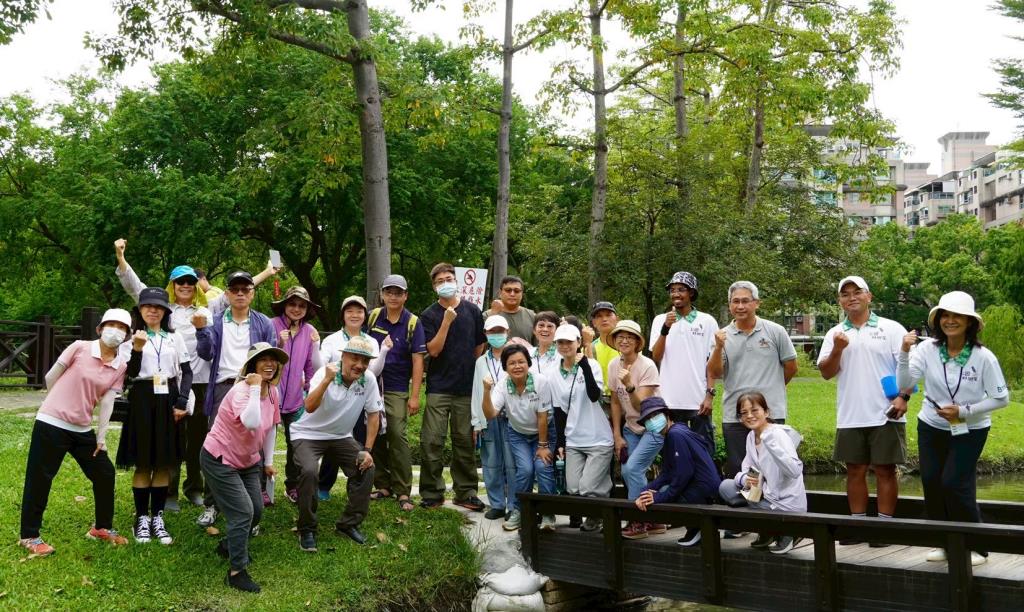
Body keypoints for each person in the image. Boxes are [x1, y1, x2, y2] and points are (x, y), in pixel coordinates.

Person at [897, 291, 1009, 567]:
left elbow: (1001, 398)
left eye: (957, 316)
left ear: (969, 322)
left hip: (970, 428)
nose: (950, 321)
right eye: (945, 315)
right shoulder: (927, 350)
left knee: (954, 483)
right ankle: (943, 543)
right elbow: (905, 384)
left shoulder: (984, 357)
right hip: (932, 425)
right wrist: (904, 352)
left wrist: (964, 411)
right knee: (932, 481)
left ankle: (977, 546)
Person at [18, 309, 133, 557]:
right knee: (40, 478)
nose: (116, 330)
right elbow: (51, 377)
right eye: (111, 325)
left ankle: (101, 528)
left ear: (127, 335)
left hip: (82, 430)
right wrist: (58, 404)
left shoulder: (120, 364)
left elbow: (108, 402)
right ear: (100, 329)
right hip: (51, 423)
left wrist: (101, 438)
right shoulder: (80, 347)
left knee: (104, 473)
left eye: (122, 327)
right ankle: (29, 535)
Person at [115, 238, 216, 510]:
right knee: (169, 437)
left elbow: (240, 295)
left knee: (197, 440)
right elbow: (135, 286)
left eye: (190, 282)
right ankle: (168, 491)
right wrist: (121, 257)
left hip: (199, 381)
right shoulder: (160, 308)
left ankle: (194, 487)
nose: (185, 286)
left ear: (197, 286)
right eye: (180, 281)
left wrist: (268, 273)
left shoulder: (206, 311)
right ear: (172, 285)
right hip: (165, 383)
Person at [817, 276, 911, 544]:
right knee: (854, 470)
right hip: (850, 413)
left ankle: (884, 528)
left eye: (857, 292)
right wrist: (837, 349)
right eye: (845, 294)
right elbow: (826, 373)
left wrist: (903, 397)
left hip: (886, 412)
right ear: (840, 301)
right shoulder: (835, 333)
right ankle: (856, 525)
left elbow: (908, 367)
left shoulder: (891, 328)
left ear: (869, 296)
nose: (851, 297)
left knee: (885, 470)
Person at [194, 270, 277, 528]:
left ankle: (252, 504)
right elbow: (206, 353)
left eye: (245, 289)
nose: (240, 293)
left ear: (252, 292)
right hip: (223, 388)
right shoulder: (216, 321)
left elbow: (271, 357)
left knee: (255, 442)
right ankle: (212, 504)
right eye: (235, 289)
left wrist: (266, 386)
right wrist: (201, 331)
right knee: (218, 448)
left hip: (254, 385)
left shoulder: (263, 323)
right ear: (227, 293)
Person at [201, 343, 286, 593]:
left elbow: (271, 427)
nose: (270, 364)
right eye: (263, 360)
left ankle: (229, 545)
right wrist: (253, 387)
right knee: (242, 513)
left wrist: (268, 461)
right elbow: (252, 421)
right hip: (220, 458)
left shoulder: (273, 391)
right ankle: (237, 571)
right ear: (252, 365)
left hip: (249, 460)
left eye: (274, 360)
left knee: (256, 511)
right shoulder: (241, 391)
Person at [116, 287, 193, 545]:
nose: (152, 310)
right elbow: (129, 375)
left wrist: (182, 400)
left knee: (163, 461)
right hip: (142, 397)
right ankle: (141, 518)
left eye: (158, 307)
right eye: (147, 306)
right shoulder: (130, 340)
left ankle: (158, 516)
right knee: (143, 461)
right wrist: (137, 349)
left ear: (165, 311)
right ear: (139, 310)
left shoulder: (175, 338)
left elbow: (187, 371)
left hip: (168, 397)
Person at [291, 336, 382, 552]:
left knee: (367, 468)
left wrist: (367, 450)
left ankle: (348, 524)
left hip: (341, 436)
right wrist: (326, 381)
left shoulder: (368, 379)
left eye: (365, 361)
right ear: (343, 356)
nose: (359, 365)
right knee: (309, 471)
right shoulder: (325, 373)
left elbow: (374, 416)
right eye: (354, 358)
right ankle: (307, 528)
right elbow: (309, 406)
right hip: (307, 433)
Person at [708, 281, 798, 480]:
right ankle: (743, 509)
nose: (740, 306)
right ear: (730, 304)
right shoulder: (722, 336)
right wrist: (717, 347)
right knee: (740, 470)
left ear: (757, 303)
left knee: (773, 468)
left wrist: (771, 391)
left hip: (770, 412)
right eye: (735, 301)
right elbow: (714, 372)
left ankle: (772, 508)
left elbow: (791, 367)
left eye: (745, 301)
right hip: (735, 415)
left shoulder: (775, 331)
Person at [418, 262, 487, 511]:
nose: (445, 283)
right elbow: (433, 350)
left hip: (466, 388)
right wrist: (446, 321)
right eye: (439, 281)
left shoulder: (473, 311)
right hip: (438, 387)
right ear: (434, 286)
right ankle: (431, 492)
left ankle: (466, 491)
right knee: (432, 441)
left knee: (464, 442)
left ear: (456, 281)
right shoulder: (429, 315)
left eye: (448, 278)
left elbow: (479, 348)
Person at [316, 294, 387, 501]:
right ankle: (323, 485)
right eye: (349, 311)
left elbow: (373, 371)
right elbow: (322, 365)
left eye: (359, 311)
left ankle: (355, 487)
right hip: (335, 400)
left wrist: (383, 352)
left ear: (365, 316)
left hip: (360, 399)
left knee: (357, 443)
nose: (354, 315)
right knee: (333, 441)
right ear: (343, 315)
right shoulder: (332, 340)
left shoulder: (371, 341)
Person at [365, 274, 426, 513]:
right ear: (382, 295)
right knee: (375, 433)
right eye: (388, 292)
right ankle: (383, 484)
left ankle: (403, 490)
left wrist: (414, 396)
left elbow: (418, 361)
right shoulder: (373, 317)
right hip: (371, 384)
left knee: (397, 436)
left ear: (405, 296)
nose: (393, 296)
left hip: (397, 387)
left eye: (398, 292)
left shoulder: (413, 322)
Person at [718, 392, 807, 555]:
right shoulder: (751, 437)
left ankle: (789, 532)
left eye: (754, 410)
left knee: (741, 495)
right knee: (726, 488)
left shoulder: (777, 435)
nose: (749, 416)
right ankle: (768, 531)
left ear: (766, 412)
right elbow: (748, 471)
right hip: (766, 496)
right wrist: (744, 478)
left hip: (785, 502)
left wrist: (771, 444)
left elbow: (794, 471)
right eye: (744, 413)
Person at [482, 344, 557, 531]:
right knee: (524, 470)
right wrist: (485, 391)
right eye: (512, 363)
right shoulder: (502, 385)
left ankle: (547, 514)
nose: (517, 366)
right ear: (505, 367)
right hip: (518, 434)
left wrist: (543, 445)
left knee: (543, 466)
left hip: (544, 432)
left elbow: (542, 417)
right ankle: (519, 511)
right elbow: (491, 413)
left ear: (528, 363)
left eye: (521, 362)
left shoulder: (541, 382)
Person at [633, 397, 720, 545]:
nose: (652, 421)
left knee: (667, 493)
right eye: (647, 419)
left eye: (655, 415)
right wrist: (645, 491)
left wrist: (659, 496)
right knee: (662, 492)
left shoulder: (675, 434)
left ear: (667, 415)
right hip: (699, 487)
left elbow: (684, 473)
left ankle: (698, 528)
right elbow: (667, 473)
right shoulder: (674, 432)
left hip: (703, 490)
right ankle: (695, 528)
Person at [648, 271, 719, 455]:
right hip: (669, 400)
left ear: (692, 293)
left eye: (681, 289)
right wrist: (665, 328)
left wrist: (710, 395)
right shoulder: (660, 320)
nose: (676, 294)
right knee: (673, 454)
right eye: (672, 290)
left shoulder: (707, 321)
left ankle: (705, 485)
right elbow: (656, 356)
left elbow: (713, 363)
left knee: (703, 453)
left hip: (698, 401)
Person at [552, 323, 612, 532]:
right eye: (560, 342)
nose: (565, 345)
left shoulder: (592, 365)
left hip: (598, 438)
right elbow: (559, 410)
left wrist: (585, 365)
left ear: (578, 342)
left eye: (569, 341)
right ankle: (599, 508)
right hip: (574, 439)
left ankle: (600, 517)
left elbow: (594, 395)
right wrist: (560, 442)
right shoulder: (554, 372)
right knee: (573, 488)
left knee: (588, 488)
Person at [607, 320, 664, 540]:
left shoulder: (647, 365)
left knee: (632, 470)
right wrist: (617, 435)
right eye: (620, 336)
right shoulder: (613, 365)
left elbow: (643, 406)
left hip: (653, 425)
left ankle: (638, 520)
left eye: (630, 337)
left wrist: (630, 385)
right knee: (630, 469)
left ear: (638, 342)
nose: (624, 340)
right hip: (630, 426)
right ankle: (654, 520)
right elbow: (614, 401)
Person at [269, 286, 322, 504]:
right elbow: (262, 357)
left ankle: (292, 485)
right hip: (270, 395)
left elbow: (310, 366)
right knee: (262, 443)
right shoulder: (271, 325)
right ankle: (261, 487)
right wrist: (278, 343)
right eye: (292, 304)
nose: (296, 309)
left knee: (296, 444)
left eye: (302, 305)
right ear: (284, 306)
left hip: (295, 399)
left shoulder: (310, 331)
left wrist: (312, 387)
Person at [471, 315, 516, 521]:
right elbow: (476, 392)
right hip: (488, 416)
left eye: (500, 331)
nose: (497, 335)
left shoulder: (515, 357)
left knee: (512, 462)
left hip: (512, 417)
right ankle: (497, 504)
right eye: (492, 331)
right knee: (491, 461)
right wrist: (476, 421)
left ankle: (513, 505)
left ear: (507, 332)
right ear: (486, 334)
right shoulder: (481, 361)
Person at [583, 301, 620, 412]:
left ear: (617, 319)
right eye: (599, 316)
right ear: (594, 322)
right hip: (599, 402)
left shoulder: (627, 345)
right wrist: (587, 345)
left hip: (624, 399)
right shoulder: (589, 347)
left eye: (608, 315)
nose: (604, 319)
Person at [484, 275, 536, 343]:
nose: (512, 294)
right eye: (508, 290)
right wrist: (493, 315)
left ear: (522, 294)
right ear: (500, 293)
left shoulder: (532, 316)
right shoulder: (487, 316)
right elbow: (481, 344)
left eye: (516, 291)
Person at [529, 311, 561, 376]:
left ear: (557, 331)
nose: (545, 329)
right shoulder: (527, 353)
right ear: (534, 330)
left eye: (550, 326)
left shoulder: (562, 355)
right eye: (541, 325)